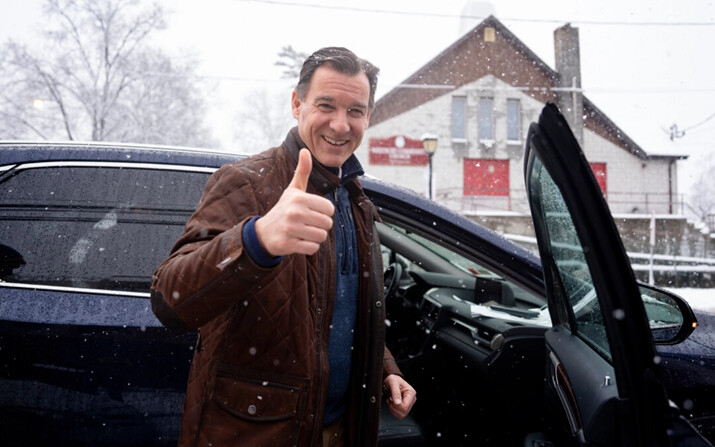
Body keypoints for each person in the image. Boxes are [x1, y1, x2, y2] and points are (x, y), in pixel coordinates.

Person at [150, 46, 416, 447]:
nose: (341, 125)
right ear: (297, 104)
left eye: (355, 111)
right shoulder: (245, 182)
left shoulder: (355, 200)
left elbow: (341, 308)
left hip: (342, 428)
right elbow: (169, 300)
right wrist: (256, 239)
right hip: (260, 432)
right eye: (326, 105)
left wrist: (385, 370)